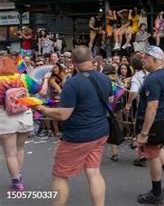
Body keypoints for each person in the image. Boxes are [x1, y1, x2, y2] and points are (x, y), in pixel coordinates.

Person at [35, 46, 111, 206]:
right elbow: (110, 101)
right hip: (100, 132)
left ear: (73, 62)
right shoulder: (105, 79)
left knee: (60, 174)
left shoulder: (72, 83)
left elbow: (63, 114)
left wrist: (41, 108)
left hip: (78, 136)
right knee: (94, 172)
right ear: (92, 58)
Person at [135, 46, 164, 204]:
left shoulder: (154, 78)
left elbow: (152, 106)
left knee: (152, 155)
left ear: (156, 60)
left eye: (146, 58)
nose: (143, 60)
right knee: (156, 150)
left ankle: (156, 193)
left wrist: (144, 132)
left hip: (156, 122)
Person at [0, 55, 48, 191]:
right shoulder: (23, 78)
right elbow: (43, 92)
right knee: (19, 148)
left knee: (10, 153)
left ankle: (17, 182)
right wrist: (46, 79)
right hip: (24, 117)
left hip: (5, 118)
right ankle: (18, 176)